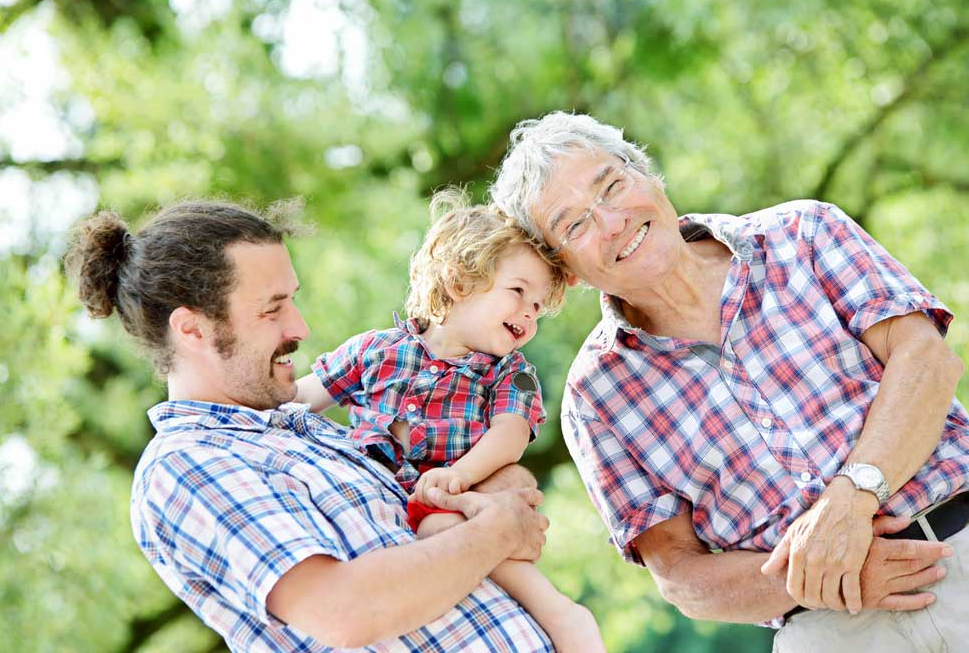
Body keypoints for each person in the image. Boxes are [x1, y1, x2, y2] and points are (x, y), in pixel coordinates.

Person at [489, 111, 968, 650]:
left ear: (647, 175)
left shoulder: (804, 233)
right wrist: (819, 574)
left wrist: (851, 498)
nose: (611, 222)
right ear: (566, 270)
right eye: (574, 225)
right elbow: (680, 576)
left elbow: (927, 361)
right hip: (831, 630)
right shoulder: (594, 396)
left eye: (613, 186)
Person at [65, 200, 556, 652]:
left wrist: (498, 487)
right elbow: (345, 610)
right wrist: (498, 530)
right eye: (272, 308)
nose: (300, 328)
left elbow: (455, 513)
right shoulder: (187, 466)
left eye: (293, 301)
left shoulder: (309, 431)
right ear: (193, 329)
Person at [294, 192, 605, 652]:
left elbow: (511, 434)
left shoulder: (509, 373)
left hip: (451, 501)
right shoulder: (375, 350)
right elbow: (301, 399)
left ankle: (560, 613)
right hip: (376, 506)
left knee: (445, 528)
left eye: (538, 307)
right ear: (460, 282)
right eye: (518, 291)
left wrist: (459, 477)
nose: (528, 313)